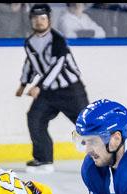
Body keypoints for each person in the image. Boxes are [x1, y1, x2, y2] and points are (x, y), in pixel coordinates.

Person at [17, 4, 89, 175]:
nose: (39, 21)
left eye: (43, 18)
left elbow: (57, 65)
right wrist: (23, 83)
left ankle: (108, 156)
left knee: (87, 124)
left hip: (70, 90)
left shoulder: (58, 40)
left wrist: (39, 86)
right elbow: (31, 63)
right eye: (35, 18)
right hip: (48, 92)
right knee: (35, 118)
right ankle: (43, 159)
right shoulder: (30, 42)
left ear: (49, 19)